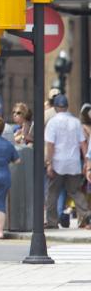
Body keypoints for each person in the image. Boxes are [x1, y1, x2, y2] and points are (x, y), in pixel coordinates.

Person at [45, 94, 89, 229]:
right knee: (75, 191)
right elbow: (83, 143)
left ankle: (52, 222)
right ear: (66, 107)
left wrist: (49, 163)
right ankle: (86, 217)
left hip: (58, 162)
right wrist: (87, 162)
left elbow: (50, 145)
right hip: (73, 163)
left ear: (56, 108)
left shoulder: (52, 122)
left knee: (53, 192)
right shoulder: (76, 122)